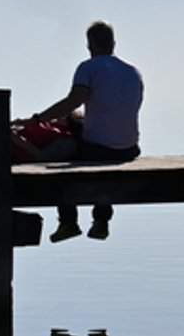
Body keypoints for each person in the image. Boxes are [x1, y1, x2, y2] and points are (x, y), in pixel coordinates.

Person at [28, 19, 144, 241]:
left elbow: (74, 101)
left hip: (98, 148)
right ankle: (101, 221)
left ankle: (68, 222)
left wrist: (38, 120)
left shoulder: (87, 67)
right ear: (114, 43)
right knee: (104, 162)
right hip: (129, 149)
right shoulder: (133, 72)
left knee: (63, 163)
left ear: (89, 45)